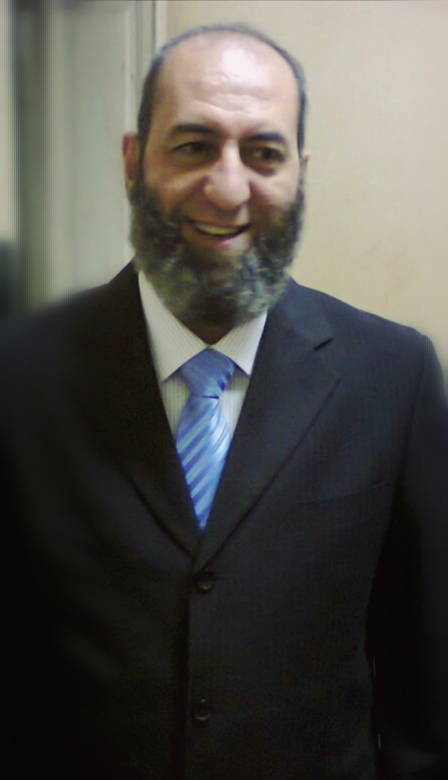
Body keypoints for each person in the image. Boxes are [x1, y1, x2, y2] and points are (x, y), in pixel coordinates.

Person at [2, 22, 448, 780]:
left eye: (264, 153)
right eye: (194, 145)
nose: (230, 188)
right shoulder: (21, 377)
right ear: (133, 162)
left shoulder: (394, 375)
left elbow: (426, 695)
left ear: (300, 173)